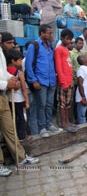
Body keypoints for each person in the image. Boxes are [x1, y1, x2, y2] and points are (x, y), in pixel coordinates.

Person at [0, 34, 39, 177]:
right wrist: (6, 83)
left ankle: (21, 157)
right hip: (4, 90)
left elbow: (2, 72)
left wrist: (10, 79)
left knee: (10, 130)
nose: (12, 45)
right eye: (8, 42)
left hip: (3, 96)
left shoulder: (1, 53)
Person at [25, 24, 61, 137]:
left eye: (51, 33)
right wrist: (33, 80)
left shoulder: (50, 46)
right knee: (42, 105)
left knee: (50, 104)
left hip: (51, 80)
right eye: (49, 33)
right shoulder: (34, 46)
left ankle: (49, 124)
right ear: (42, 33)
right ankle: (42, 128)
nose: (51, 35)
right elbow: (28, 65)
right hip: (41, 81)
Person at [54, 28, 79, 132]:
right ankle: (63, 123)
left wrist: (71, 81)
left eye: (70, 39)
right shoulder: (59, 49)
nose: (69, 41)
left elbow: (69, 66)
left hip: (70, 81)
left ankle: (67, 121)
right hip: (63, 82)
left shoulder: (67, 50)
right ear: (62, 38)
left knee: (68, 103)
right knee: (62, 104)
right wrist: (63, 83)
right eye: (67, 39)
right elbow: (59, 68)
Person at [6, 49, 31, 141]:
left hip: (9, 100)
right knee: (21, 118)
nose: (21, 62)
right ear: (13, 61)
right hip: (19, 100)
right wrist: (27, 101)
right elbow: (24, 89)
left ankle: (14, 136)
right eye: (20, 60)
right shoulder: (19, 73)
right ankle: (22, 136)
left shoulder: (5, 71)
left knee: (13, 118)